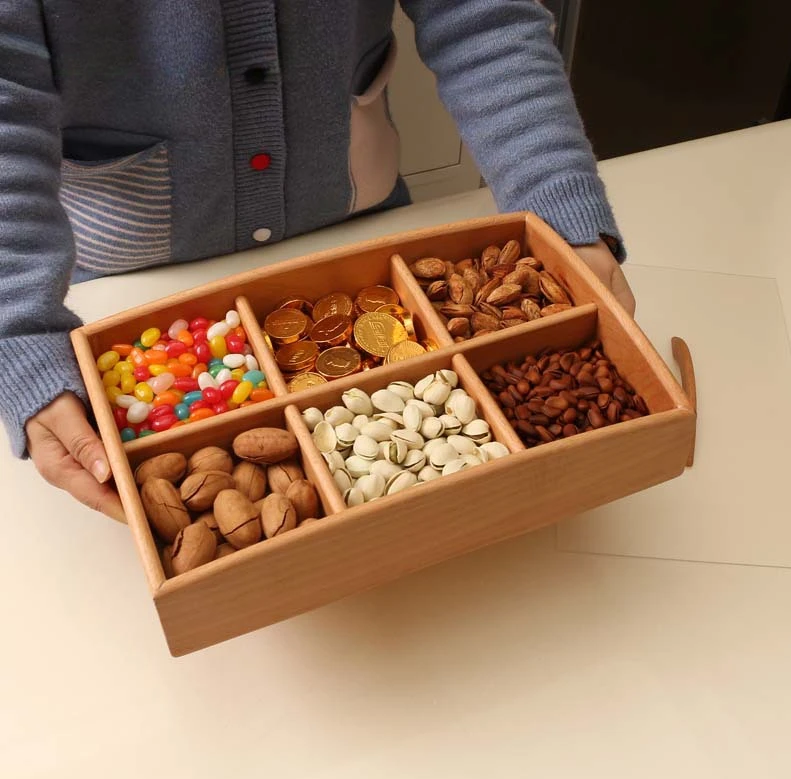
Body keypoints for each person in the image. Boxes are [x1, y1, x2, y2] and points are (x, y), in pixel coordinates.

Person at [0, 0, 634, 522]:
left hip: (361, 221)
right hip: (123, 280)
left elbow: (482, 16)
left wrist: (558, 205)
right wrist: (16, 330)